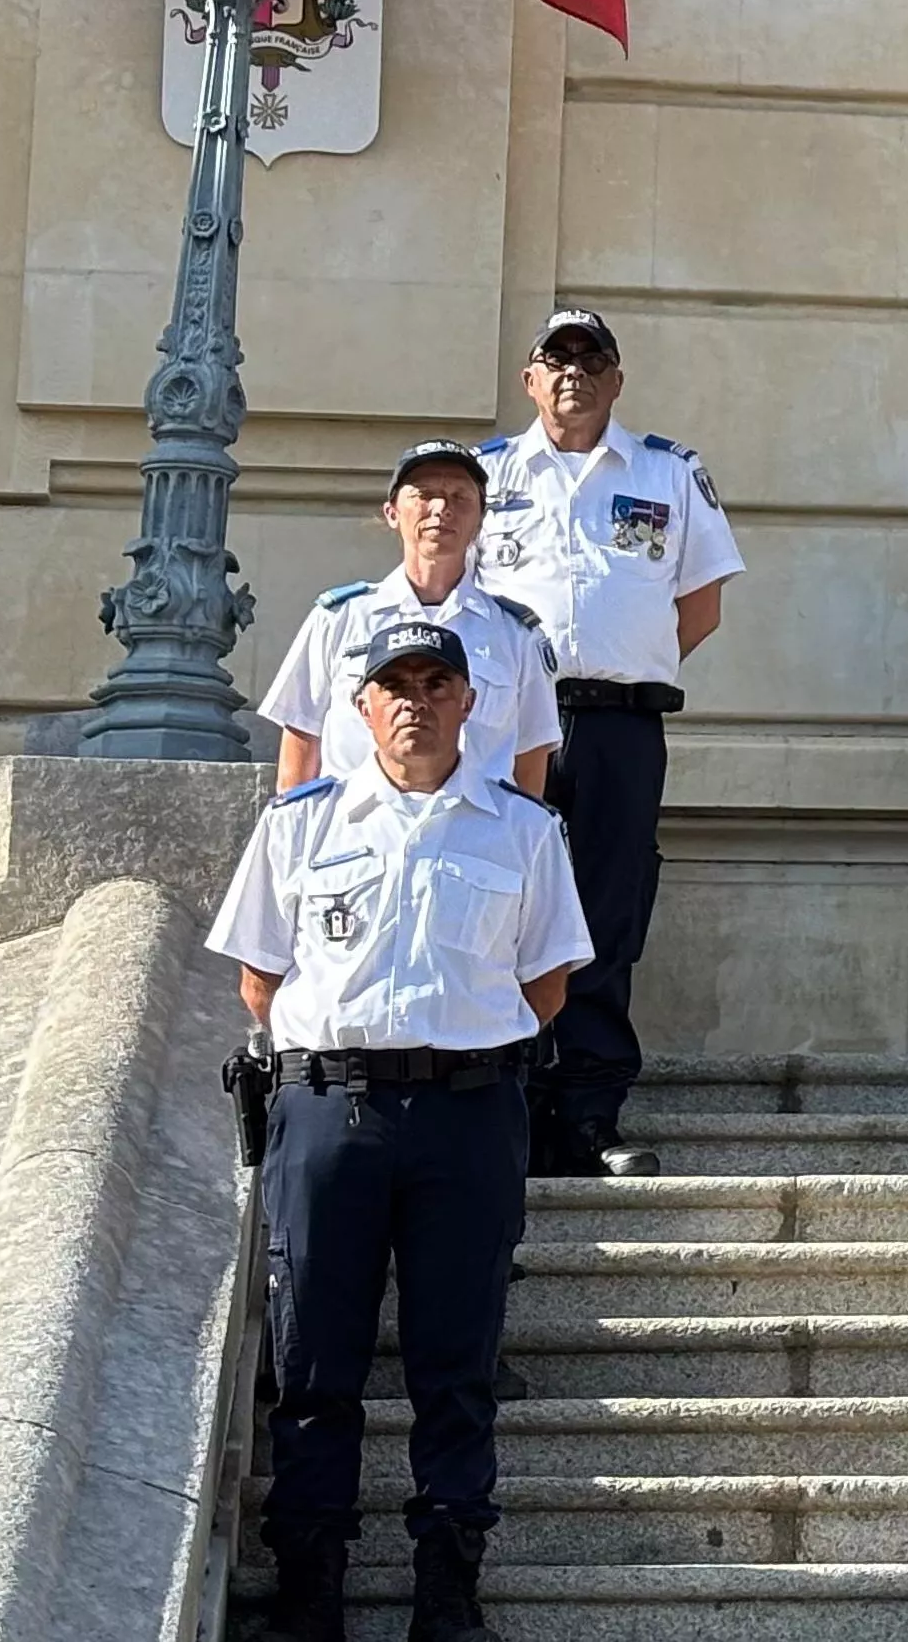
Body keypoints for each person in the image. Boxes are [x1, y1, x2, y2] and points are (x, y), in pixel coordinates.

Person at [207, 621, 592, 1642]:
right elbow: (260, 978)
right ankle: (309, 1590)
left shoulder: (522, 829)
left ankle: (447, 1591)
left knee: (455, 1365)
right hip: (330, 1111)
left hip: (468, 1115)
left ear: (471, 702)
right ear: (363, 705)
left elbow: (547, 982)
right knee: (313, 1366)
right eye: (396, 684)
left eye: (436, 681)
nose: (416, 699)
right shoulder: (299, 824)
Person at [472, 307, 738, 1178]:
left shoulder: (666, 471)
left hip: (622, 724)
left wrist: (623, 662)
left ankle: (588, 1114)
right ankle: (503, 1104)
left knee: (605, 915)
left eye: (593, 359)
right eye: (558, 358)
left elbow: (699, 606)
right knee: (507, 907)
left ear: (617, 379)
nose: (575, 374)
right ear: (531, 378)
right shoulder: (486, 475)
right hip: (514, 729)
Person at [258, 439, 561, 798]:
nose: (441, 509)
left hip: (473, 837)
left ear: (481, 521)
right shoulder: (339, 619)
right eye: (423, 494)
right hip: (355, 834)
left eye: (459, 497)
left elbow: (530, 759)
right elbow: (301, 740)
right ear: (392, 512)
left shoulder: (516, 636)